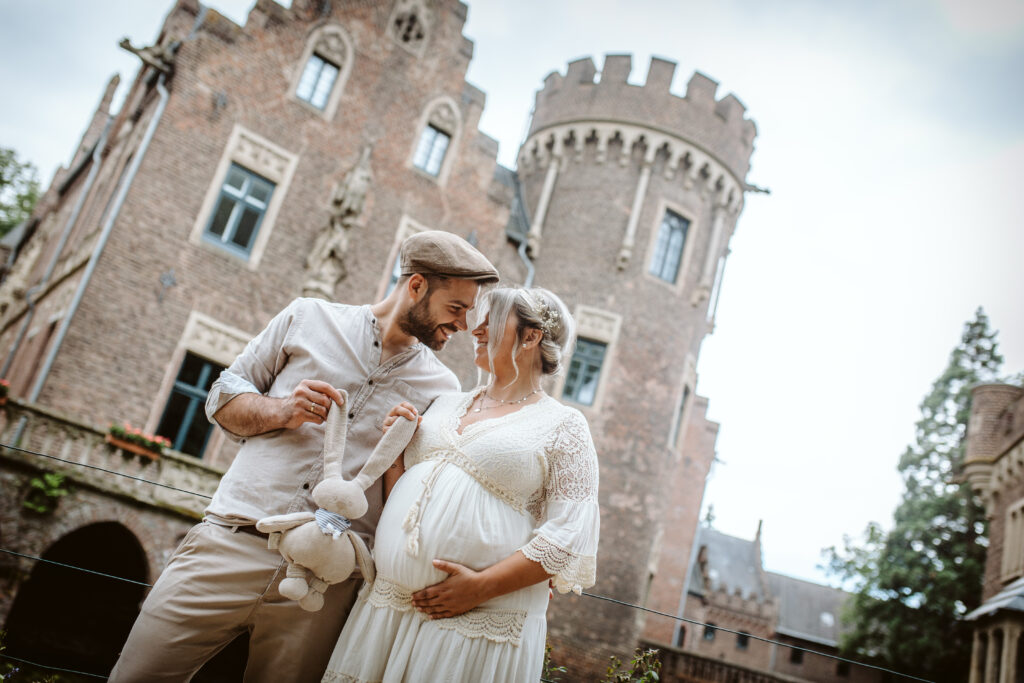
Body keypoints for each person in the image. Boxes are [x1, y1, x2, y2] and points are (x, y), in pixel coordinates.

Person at [108, 231, 498, 683]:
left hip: (325, 585)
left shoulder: (444, 391)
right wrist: (284, 410)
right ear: (415, 286)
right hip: (231, 543)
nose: (464, 325)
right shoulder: (307, 317)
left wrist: (398, 458)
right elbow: (221, 401)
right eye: (456, 308)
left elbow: (413, 499)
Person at [321, 287, 600, 683]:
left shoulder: (564, 425)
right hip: (388, 605)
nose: (477, 329)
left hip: (479, 622)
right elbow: (408, 495)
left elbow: (571, 532)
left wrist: (480, 587)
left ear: (532, 335)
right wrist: (396, 454)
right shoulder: (447, 402)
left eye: (492, 321)